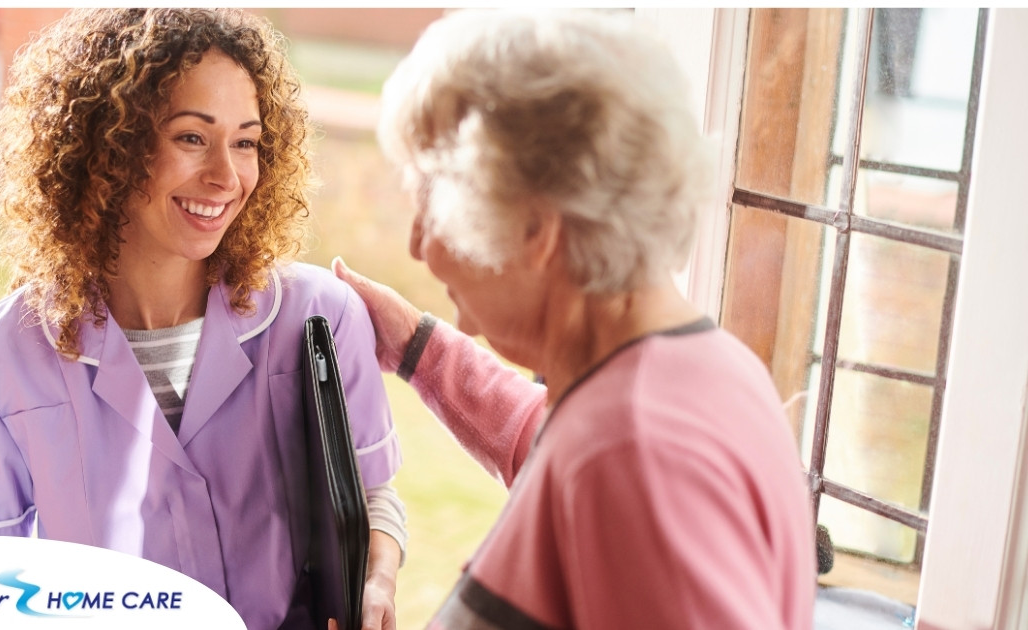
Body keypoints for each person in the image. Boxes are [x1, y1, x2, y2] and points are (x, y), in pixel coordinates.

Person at [332, 8, 815, 629]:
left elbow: (614, 463)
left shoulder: (634, 455)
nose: (417, 245)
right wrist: (416, 346)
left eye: (432, 195)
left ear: (534, 226)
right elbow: (557, 441)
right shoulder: (695, 372)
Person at [0, 9, 404, 630]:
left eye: (246, 142)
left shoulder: (321, 320)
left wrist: (378, 581)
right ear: (111, 145)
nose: (226, 177)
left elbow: (372, 496)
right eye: (191, 137)